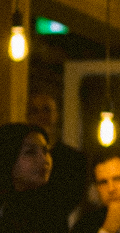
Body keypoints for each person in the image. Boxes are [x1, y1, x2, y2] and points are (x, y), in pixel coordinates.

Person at [26, 87, 90, 222]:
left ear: (56, 115)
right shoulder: (21, 157)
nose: (41, 116)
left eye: (46, 110)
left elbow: (69, 201)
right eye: (34, 111)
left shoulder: (74, 160)